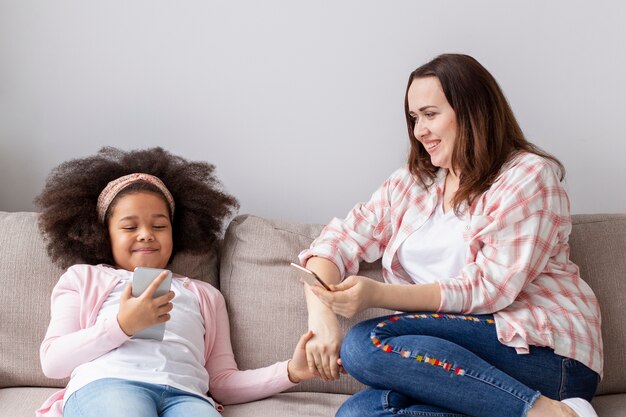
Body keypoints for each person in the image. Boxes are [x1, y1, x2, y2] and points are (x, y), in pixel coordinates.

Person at [298, 54, 602, 417]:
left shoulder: (527, 175)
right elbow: (334, 244)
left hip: (544, 356)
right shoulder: (411, 184)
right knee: (358, 413)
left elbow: (489, 288)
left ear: (473, 111)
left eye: (430, 114)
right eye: (414, 118)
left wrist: (378, 294)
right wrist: (322, 321)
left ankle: (549, 413)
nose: (418, 130)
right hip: (452, 359)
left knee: (367, 343)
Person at [35, 147, 318, 417]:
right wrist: (122, 325)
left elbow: (221, 382)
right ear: (104, 234)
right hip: (109, 383)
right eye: (130, 227)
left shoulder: (205, 295)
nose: (146, 234)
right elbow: (53, 361)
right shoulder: (85, 278)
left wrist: (291, 371)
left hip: (187, 396)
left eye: (159, 226)